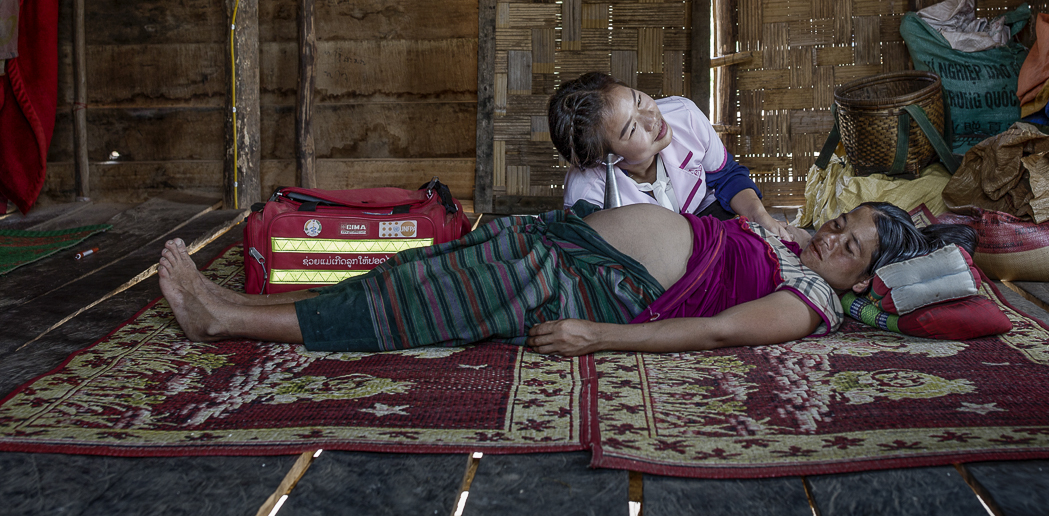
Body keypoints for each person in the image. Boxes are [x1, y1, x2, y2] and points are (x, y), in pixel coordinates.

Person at [156, 201, 976, 356]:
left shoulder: (806, 307)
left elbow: (715, 330)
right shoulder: (800, 249)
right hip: (565, 248)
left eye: (852, 246)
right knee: (414, 269)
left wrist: (598, 336)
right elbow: (761, 226)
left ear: (865, 280)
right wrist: (797, 232)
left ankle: (221, 323)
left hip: (588, 294)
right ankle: (234, 299)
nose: (834, 238)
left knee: (416, 305)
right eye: (845, 222)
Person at [548, 72, 787, 238]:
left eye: (639, 100)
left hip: (710, 218)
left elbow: (726, 176)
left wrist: (759, 215)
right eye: (632, 129)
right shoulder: (587, 194)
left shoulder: (685, 116)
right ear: (607, 159)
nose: (652, 119)